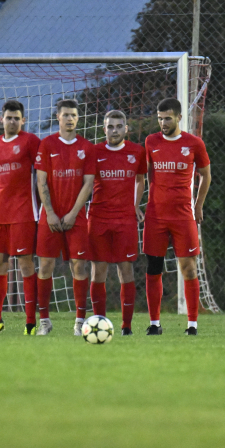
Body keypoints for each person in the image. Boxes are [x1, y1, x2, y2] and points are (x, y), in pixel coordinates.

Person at [143, 98, 211, 336]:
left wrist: (198, 205)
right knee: (153, 268)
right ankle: (154, 324)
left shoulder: (194, 143)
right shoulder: (151, 142)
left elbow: (205, 175)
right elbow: (141, 175)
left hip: (184, 216)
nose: (163, 122)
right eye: (160, 118)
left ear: (179, 117)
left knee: (189, 268)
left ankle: (192, 325)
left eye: (168, 118)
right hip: (155, 216)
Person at [34, 99, 95, 336]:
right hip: (49, 217)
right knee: (45, 266)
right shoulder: (46, 145)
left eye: (74, 115)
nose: (70, 119)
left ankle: (80, 322)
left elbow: (88, 183)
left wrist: (72, 213)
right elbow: (41, 181)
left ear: (78, 119)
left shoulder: (87, 147)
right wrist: (49, 212)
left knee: (79, 266)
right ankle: (45, 322)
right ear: (57, 117)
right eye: (66, 115)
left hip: (77, 217)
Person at [0, 100, 41, 336]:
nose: (13, 121)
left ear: (23, 120)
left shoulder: (30, 141)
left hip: (23, 212)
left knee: (25, 265)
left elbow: (42, 173)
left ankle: (30, 322)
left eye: (17, 118)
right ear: (2, 119)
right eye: (9, 118)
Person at [88, 110, 147, 335]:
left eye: (118, 126)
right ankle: (99, 323)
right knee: (98, 272)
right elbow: (86, 184)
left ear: (126, 129)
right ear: (104, 130)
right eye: (110, 126)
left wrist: (134, 205)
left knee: (126, 270)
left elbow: (141, 180)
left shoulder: (137, 152)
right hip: (98, 218)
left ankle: (126, 326)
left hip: (125, 219)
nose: (114, 130)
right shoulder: (94, 152)